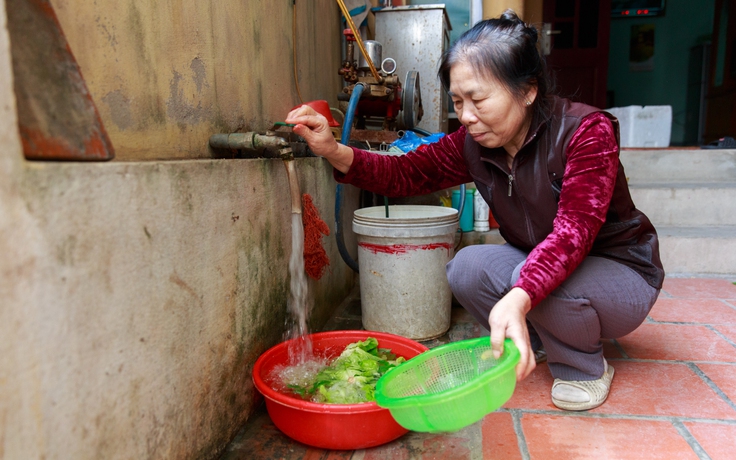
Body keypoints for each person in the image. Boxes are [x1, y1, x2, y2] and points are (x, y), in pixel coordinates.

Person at [286, 10, 664, 411]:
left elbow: (573, 234)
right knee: (466, 267)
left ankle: (584, 367)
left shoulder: (586, 132)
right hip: (544, 262)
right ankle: (539, 338)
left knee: (536, 279)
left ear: (528, 90)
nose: (466, 116)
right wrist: (332, 149)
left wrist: (520, 295)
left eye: (479, 99)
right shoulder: (473, 142)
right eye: (457, 101)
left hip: (621, 271)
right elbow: (406, 172)